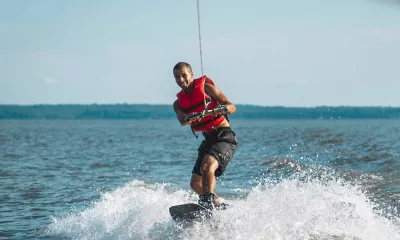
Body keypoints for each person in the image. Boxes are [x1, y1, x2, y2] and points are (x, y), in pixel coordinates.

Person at [172, 61, 238, 210]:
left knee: (207, 167)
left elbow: (232, 107)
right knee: (195, 183)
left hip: (224, 137)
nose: (181, 80)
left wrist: (215, 110)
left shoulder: (206, 88)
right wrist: (191, 118)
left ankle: (207, 203)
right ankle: (215, 204)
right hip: (209, 139)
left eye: (184, 75)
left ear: (191, 75)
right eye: (177, 77)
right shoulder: (178, 104)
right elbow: (182, 120)